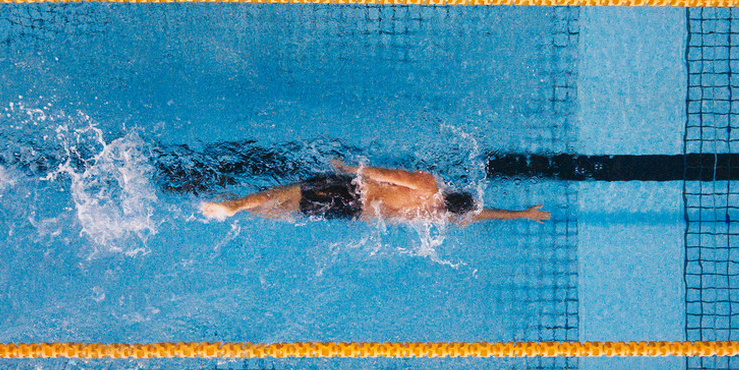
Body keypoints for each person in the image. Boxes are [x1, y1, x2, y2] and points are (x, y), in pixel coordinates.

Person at [200, 159, 550, 224]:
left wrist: (352, 169)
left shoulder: (430, 187)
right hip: (351, 212)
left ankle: (234, 204)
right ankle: (240, 209)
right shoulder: (434, 214)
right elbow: (478, 214)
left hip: (351, 191)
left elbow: (391, 174)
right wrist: (522, 214)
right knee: (284, 209)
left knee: (286, 192)